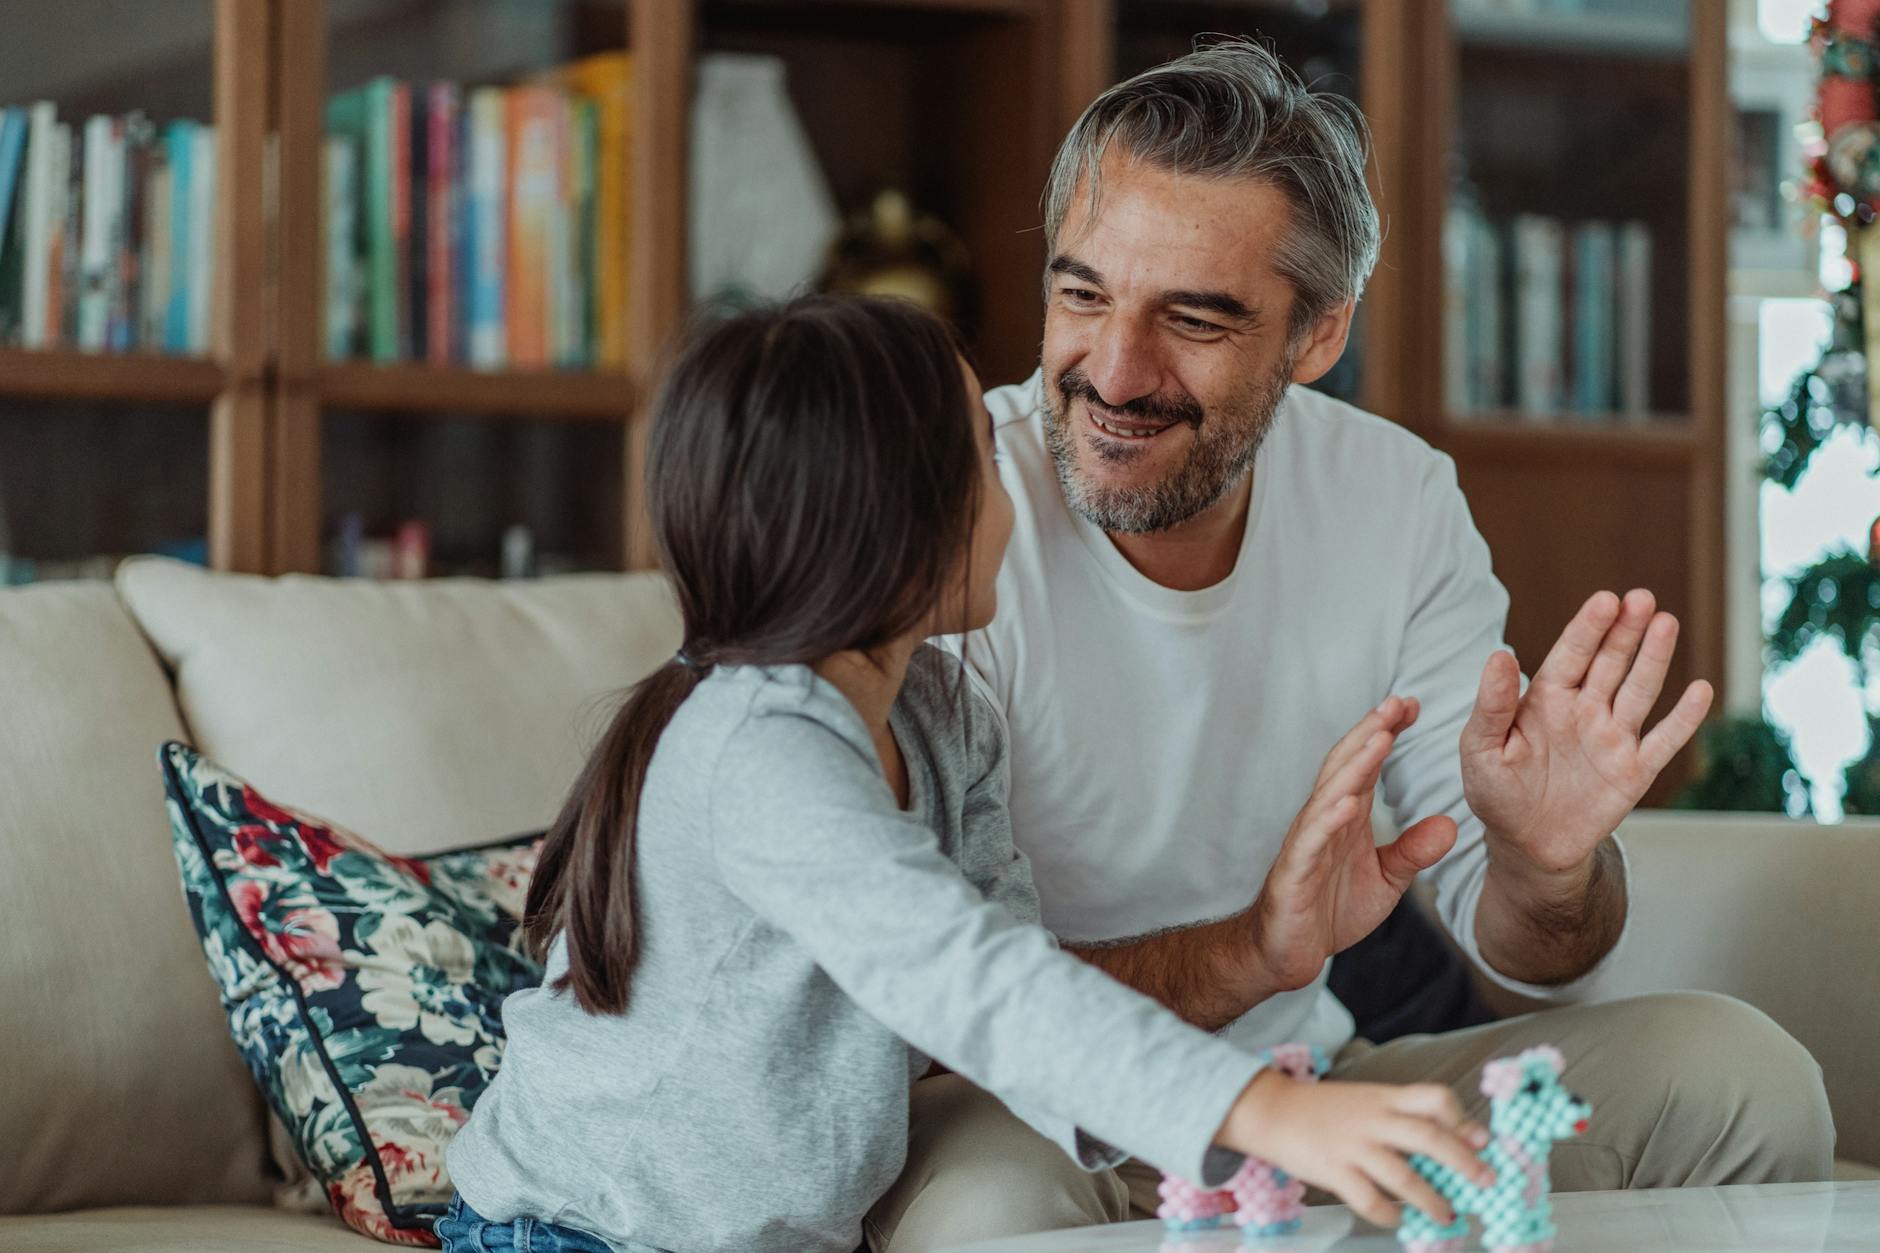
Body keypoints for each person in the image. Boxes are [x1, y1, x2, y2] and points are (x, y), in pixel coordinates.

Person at [867, 39, 1837, 1253]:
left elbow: (1535, 952)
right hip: (1014, 1117)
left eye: (1194, 318)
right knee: (992, 1221)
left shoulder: (1393, 498)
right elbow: (913, 992)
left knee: (1738, 1078)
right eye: (1082, 295)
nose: (1113, 372)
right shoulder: (947, 507)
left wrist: (1544, 866)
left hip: (1303, 1114)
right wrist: (1246, 951)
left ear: (1316, 335)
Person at [437, 295, 1502, 1253]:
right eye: (992, 459)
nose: (1024, 487)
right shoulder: (753, 747)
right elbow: (967, 978)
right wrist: (1261, 1112)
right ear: (895, 521)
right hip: (578, 1231)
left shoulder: (944, 717)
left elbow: (1021, 978)